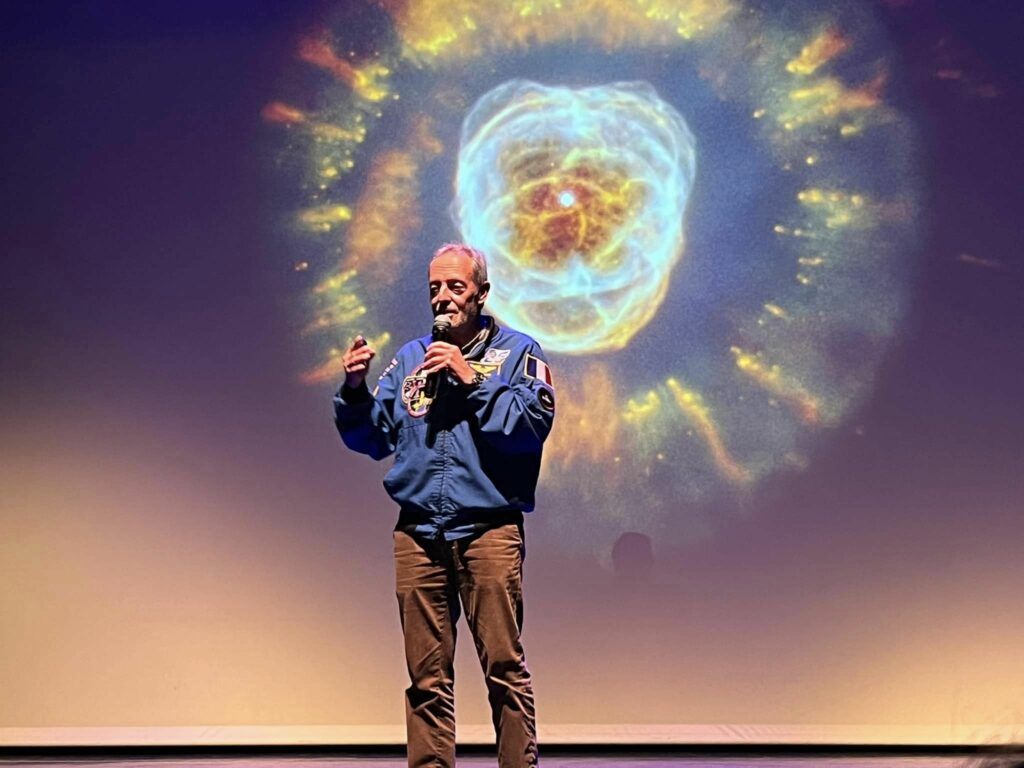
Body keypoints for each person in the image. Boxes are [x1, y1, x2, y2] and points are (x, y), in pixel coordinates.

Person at [334, 243, 556, 768]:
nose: (443, 297)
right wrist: (354, 389)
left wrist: (471, 376)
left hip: (488, 532)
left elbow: (530, 428)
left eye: (455, 287)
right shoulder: (411, 358)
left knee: (504, 668)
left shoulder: (520, 352)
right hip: (417, 534)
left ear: (481, 292)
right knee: (426, 679)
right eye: (434, 287)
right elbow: (373, 439)